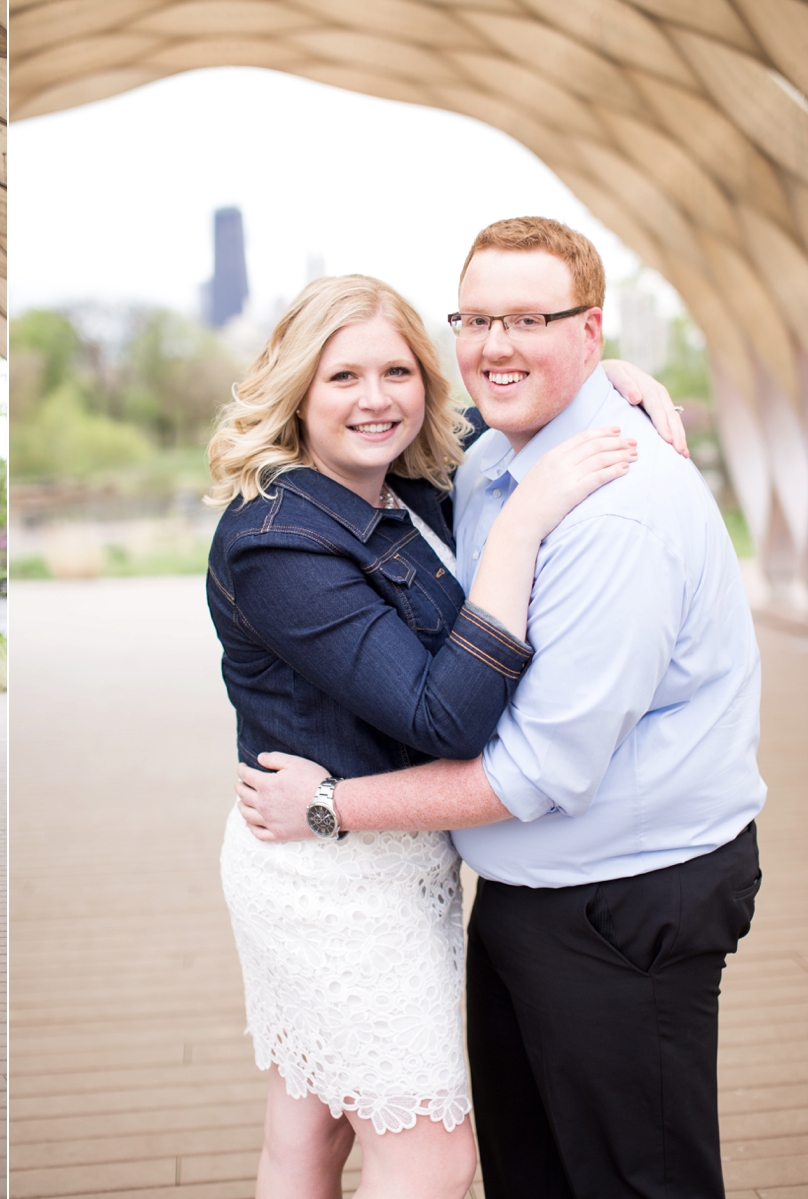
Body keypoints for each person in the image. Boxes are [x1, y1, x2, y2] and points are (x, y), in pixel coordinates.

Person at [237, 218, 763, 1199]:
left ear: (589, 327)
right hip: (516, 892)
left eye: (528, 318)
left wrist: (332, 806)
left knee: (632, 1177)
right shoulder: (482, 464)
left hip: (622, 895)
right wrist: (608, 381)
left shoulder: (618, 508)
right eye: (477, 319)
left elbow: (534, 768)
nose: (494, 345)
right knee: (530, 1172)